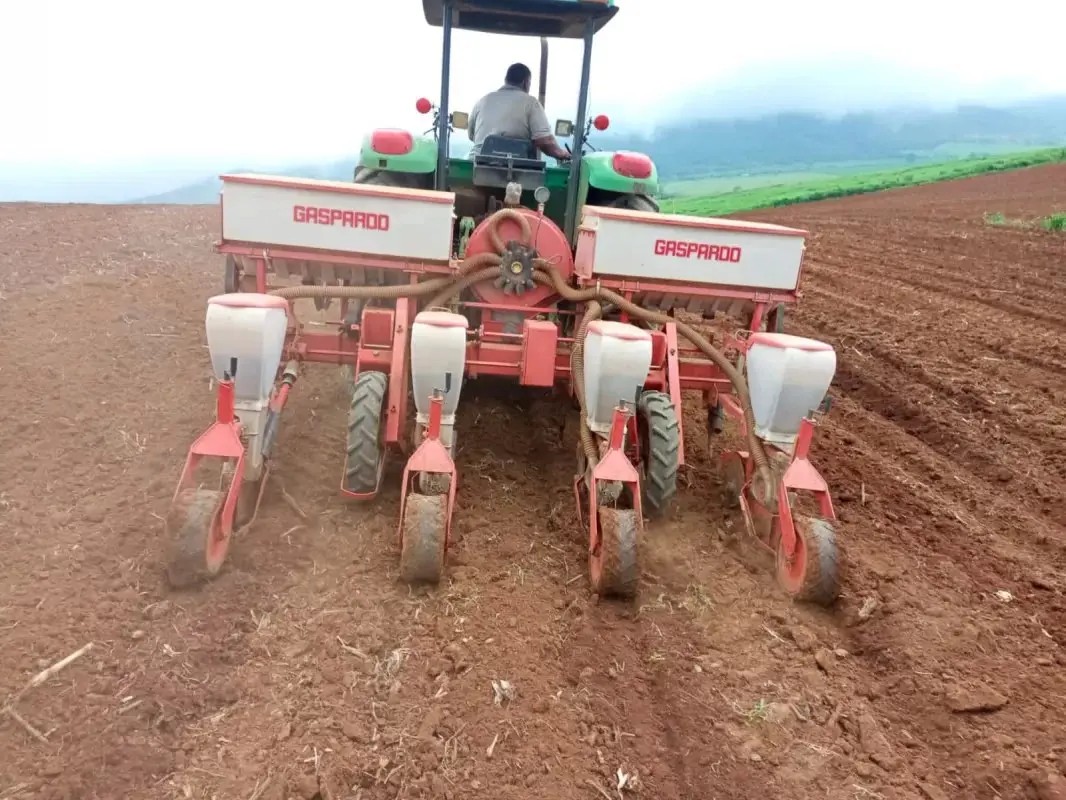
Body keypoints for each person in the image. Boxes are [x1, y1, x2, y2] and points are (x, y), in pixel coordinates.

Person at [467, 63, 571, 162]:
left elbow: (472, 135)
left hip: (476, 165)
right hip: (515, 171)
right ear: (525, 82)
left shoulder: (483, 101)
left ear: (506, 80)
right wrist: (562, 153)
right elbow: (544, 141)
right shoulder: (531, 103)